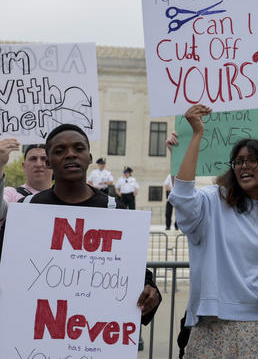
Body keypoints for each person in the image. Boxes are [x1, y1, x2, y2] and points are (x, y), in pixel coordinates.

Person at [0, 124, 161, 324]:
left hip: (92, 336)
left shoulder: (115, 211)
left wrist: (150, 292)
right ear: (49, 162)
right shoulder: (27, 209)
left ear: (89, 157)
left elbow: (134, 274)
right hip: (32, 333)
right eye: (60, 151)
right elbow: (5, 262)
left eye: (78, 149)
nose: (70, 155)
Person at [169, 104, 258, 358]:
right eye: (238, 161)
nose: (243, 166)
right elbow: (182, 199)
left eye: (252, 160)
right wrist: (194, 138)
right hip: (214, 324)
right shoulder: (213, 201)